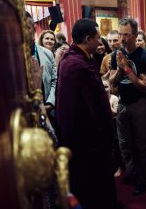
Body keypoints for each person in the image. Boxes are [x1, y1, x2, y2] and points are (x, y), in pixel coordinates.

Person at [55, 18, 117, 209]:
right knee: (93, 186)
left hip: (83, 137)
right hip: (87, 140)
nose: (101, 42)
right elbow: (87, 109)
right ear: (88, 38)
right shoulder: (76, 65)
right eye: (98, 38)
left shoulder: (74, 57)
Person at [109, 17, 146, 196]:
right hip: (122, 103)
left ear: (135, 35)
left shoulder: (144, 56)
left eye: (126, 34)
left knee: (142, 144)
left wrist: (127, 68)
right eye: (120, 34)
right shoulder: (116, 54)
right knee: (124, 143)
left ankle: (145, 179)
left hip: (139, 104)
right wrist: (120, 69)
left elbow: (143, 86)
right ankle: (133, 174)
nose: (122, 38)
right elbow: (112, 83)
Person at [25, 12, 57, 122]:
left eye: (27, 28)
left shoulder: (47, 54)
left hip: (47, 109)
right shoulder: (9, 56)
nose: (23, 32)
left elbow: (54, 80)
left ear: (34, 29)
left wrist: (50, 103)